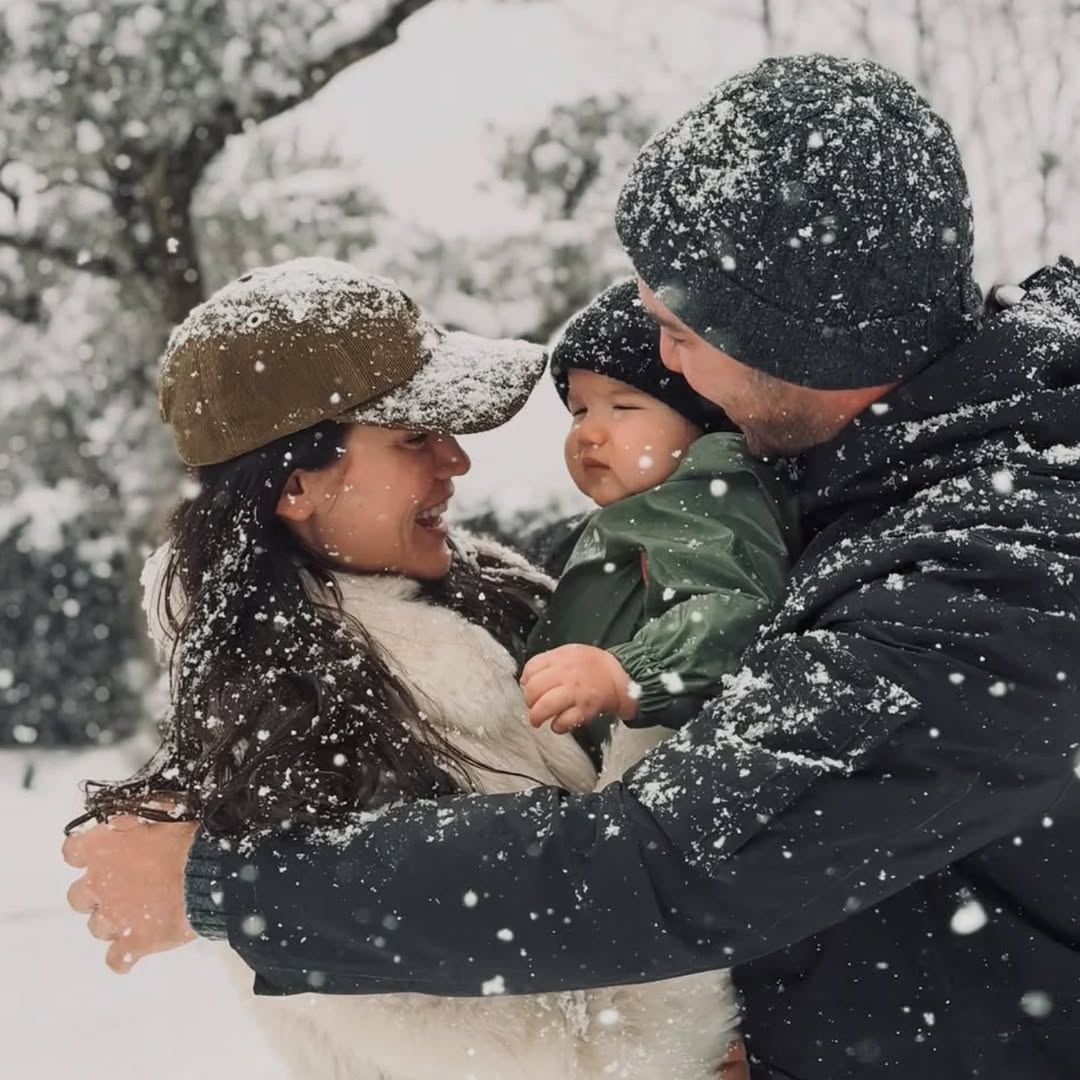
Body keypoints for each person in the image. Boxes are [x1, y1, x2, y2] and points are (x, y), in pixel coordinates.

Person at [64, 56, 1080, 1079]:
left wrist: (227, 887)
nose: (664, 366)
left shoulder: (993, 571)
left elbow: (665, 864)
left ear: (802, 339)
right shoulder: (879, 473)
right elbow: (636, 560)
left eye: (679, 333)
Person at [66, 257, 743, 1079]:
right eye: (416, 437)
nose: (455, 462)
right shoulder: (292, 728)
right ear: (297, 487)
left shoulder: (491, 597)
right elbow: (544, 1050)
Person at [520, 277, 795, 775]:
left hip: (659, 767)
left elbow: (731, 609)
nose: (589, 433)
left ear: (702, 421)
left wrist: (626, 672)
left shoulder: (709, 492)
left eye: (623, 407)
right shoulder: (640, 509)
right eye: (578, 410)